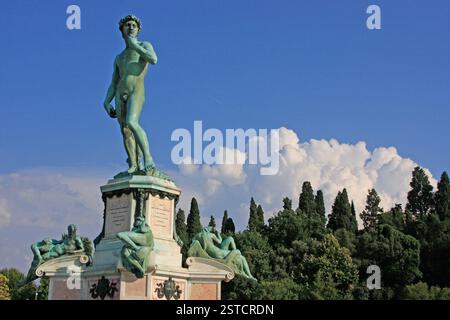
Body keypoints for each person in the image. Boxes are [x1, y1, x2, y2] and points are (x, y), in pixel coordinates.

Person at [103, 15, 158, 175]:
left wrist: (135, 46)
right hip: (121, 92)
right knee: (125, 130)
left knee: (132, 122)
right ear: (122, 30)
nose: (131, 27)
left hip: (136, 90)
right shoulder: (119, 57)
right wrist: (107, 101)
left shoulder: (143, 45)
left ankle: (148, 159)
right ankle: (134, 164)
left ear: (138, 29)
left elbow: (153, 59)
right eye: (128, 25)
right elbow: (114, 82)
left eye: (134, 25)